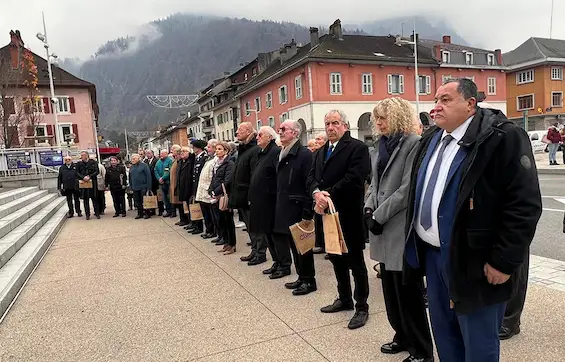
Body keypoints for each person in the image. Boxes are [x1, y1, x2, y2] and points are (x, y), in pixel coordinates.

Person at [404, 78, 542, 361]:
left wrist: (504, 260)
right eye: (435, 101)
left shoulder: (502, 138)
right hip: (433, 256)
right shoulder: (431, 139)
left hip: (476, 262)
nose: (436, 107)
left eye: (446, 100)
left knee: (478, 343)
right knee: (445, 336)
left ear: (470, 104)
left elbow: (524, 204)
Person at [365, 98, 433, 362]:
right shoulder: (380, 145)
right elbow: (373, 183)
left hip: (399, 229)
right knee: (391, 292)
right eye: (377, 118)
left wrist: (379, 215)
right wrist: (368, 209)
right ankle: (401, 336)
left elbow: (407, 189)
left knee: (409, 293)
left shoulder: (413, 144)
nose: (379, 123)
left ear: (398, 117)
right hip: (382, 227)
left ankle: (421, 350)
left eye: (384, 118)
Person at [308, 109, 371, 330]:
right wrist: (316, 192)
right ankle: (344, 298)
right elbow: (311, 177)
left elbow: (355, 178)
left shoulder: (357, 148)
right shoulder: (321, 150)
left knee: (356, 262)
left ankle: (361, 306)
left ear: (344, 125)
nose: (330, 127)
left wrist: (328, 194)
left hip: (348, 214)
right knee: (335, 258)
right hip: (327, 215)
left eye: (335, 123)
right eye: (327, 124)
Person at [272, 120, 316, 296]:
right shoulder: (283, 152)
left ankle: (309, 280)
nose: (280, 131)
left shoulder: (304, 154)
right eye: (279, 129)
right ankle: (301, 276)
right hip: (286, 205)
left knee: (303, 246)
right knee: (293, 244)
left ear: (295, 133)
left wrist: (307, 210)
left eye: (284, 129)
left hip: (298, 206)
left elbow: (309, 181)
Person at [248, 126, 280, 268]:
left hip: (270, 201)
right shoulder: (262, 153)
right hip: (260, 201)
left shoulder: (274, 152)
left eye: (261, 135)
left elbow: (277, 177)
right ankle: (276, 262)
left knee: (274, 235)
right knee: (267, 233)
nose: (257, 137)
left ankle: (282, 263)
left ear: (270, 137)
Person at [231, 122, 260, 262]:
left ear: (249, 131)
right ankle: (255, 250)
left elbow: (254, 174)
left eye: (240, 130)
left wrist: (251, 195)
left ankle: (260, 252)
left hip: (248, 194)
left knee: (255, 225)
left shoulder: (253, 149)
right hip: (241, 194)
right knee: (249, 226)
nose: (237, 132)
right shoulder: (243, 149)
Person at [208, 141, 236, 254]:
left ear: (226, 150)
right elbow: (214, 178)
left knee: (228, 221)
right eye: (217, 149)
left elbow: (228, 180)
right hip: (217, 195)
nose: (217, 151)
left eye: (220, 149)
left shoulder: (229, 163)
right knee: (222, 221)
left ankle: (232, 244)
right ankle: (226, 242)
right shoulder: (217, 163)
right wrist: (211, 190)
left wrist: (216, 191)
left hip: (225, 195)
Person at [196, 139, 219, 240]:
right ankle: (209, 230)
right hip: (203, 190)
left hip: (209, 190)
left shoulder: (215, 160)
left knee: (212, 214)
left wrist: (210, 189)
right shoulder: (208, 158)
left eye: (209, 147)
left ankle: (213, 231)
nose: (206, 148)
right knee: (206, 213)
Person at [187, 139, 208, 235]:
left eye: (194, 147)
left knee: (204, 209)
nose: (192, 149)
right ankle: (197, 226)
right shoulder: (197, 157)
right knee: (198, 207)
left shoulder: (204, 157)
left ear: (198, 148)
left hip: (202, 186)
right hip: (196, 186)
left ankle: (206, 229)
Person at [76, 151, 100, 220]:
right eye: (81, 155)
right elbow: (77, 172)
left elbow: (97, 171)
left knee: (94, 198)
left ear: (87, 155)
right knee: (85, 200)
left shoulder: (93, 162)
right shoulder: (79, 164)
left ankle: (97, 213)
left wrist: (90, 176)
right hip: (84, 183)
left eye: (84, 155)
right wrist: (83, 177)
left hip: (92, 182)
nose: (82, 157)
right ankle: (87, 214)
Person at [129, 153, 153, 219]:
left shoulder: (144, 166)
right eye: (132, 159)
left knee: (144, 201)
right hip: (135, 187)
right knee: (137, 201)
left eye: (134, 158)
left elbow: (148, 176)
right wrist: (130, 187)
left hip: (143, 187)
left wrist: (149, 187)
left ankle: (147, 213)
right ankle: (140, 214)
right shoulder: (131, 167)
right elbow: (130, 178)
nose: (133, 160)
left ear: (138, 159)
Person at [176, 146, 194, 227]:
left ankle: (194, 223)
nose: (182, 153)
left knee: (191, 206)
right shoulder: (181, 162)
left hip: (189, 187)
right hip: (182, 187)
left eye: (184, 151)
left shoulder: (190, 161)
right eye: (181, 151)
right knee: (186, 205)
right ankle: (189, 222)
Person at [154, 149, 174, 217]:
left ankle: (172, 211)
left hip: (168, 182)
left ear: (166, 154)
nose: (161, 155)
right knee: (164, 198)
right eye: (160, 154)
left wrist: (163, 178)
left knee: (170, 197)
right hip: (161, 183)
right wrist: (159, 178)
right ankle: (168, 211)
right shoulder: (158, 162)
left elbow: (168, 171)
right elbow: (155, 170)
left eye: (162, 153)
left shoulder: (169, 161)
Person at [144, 150, 161, 216]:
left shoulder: (157, 161)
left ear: (152, 154)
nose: (148, 155)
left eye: (149, 153)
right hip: (149, 182)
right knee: (151, 197)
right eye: (146, 153)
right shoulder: (145, 161)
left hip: (156, 181)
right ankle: (152, 210)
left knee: (158, 197)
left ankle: (160, 210)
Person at [169, 145, 182, 219]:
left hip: (177, 184)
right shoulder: (175, 160)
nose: (171, 151)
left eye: (173, 150)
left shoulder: (179, 161)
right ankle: (181, 218)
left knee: (180, 202)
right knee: (177, 202)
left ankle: (184, 219)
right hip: (173, 184)